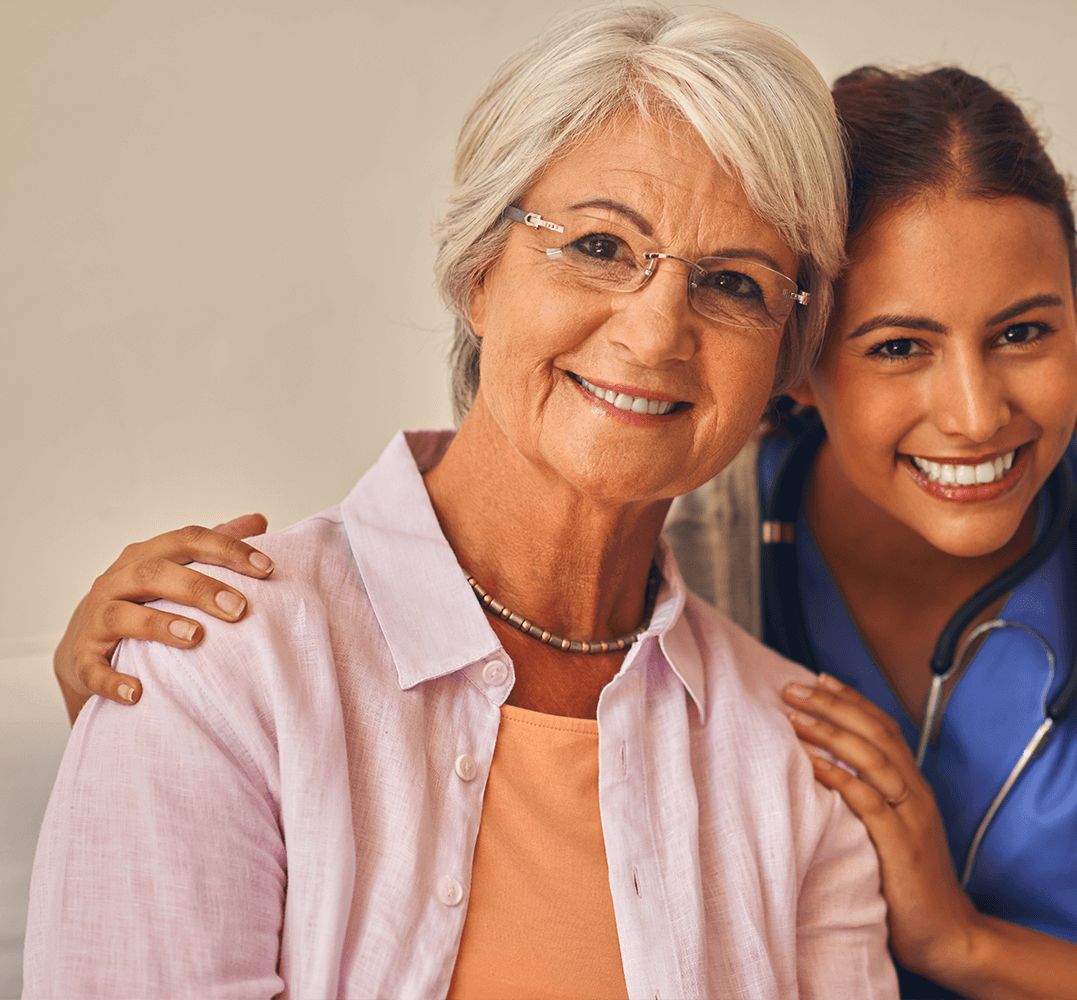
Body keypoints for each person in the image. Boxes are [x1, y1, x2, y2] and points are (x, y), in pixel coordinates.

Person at [47, 62, 1077, 1000]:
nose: (975, 407)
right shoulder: (678, 527)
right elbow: (483, 524)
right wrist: (149, 672)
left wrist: (966, 948)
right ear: (801, 367)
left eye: (1026, 332)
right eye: (898, 345)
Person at [24, 6, 898, 999]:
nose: (655, 334)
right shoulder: (215, 659)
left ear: (785, 362)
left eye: (734, 283)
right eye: (603, 245)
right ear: (481, 272)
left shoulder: (798, 765)